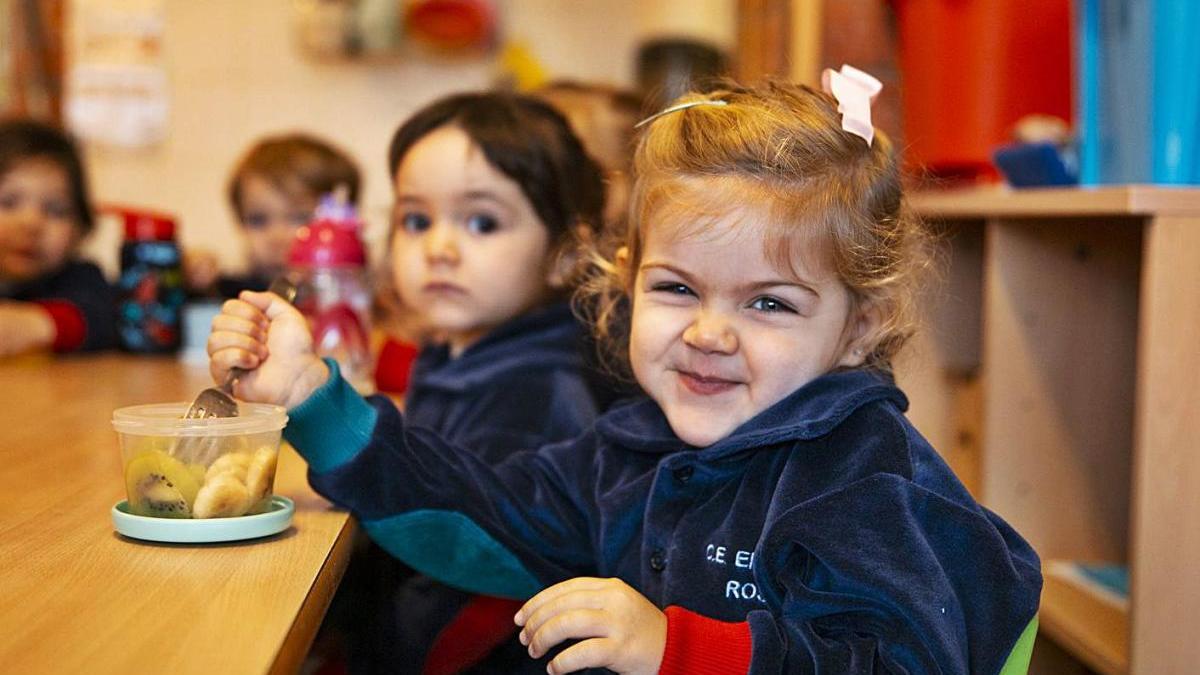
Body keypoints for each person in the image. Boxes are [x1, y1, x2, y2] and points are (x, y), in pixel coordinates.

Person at [208, 77, 1042, 673]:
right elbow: (477, 510)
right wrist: (316, 398)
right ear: (626, 281)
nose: (709, 333)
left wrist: (676, 649)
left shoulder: (862, 479)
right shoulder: (630, 446)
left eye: (770, 305)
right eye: (677, 288)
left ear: (860, 326)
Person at [319, 92, 610, 672]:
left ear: (564, 254)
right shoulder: (467, 349)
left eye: (481, 222)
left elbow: (483, 558)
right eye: (416, 220)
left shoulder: (541, 391)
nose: (440, 249)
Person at [185, 133, 361, 298]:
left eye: (300, 218)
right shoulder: (234, 291)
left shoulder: (355, 296)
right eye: (258, 220)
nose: (276, 237)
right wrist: (193, 279)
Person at [0, 119, 115, 357]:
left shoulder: (80, 279)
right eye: (8, 202)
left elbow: (106, 317)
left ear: (80, 229)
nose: (31, 223)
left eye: (56, 210)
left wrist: (38, 325)